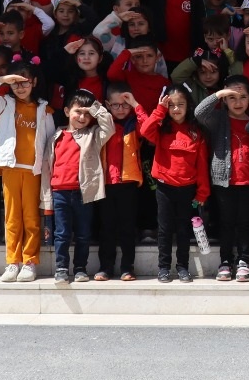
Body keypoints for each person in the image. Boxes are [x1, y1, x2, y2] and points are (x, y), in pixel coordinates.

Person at [0, 63, 54, 283]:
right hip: (9, 167)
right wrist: (0, 80)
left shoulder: (45, 109)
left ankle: (29, 262)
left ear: (34, 82)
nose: (20, 87)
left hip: (33, 170)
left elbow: (50, 144)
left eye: (24, 81)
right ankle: (12, 262)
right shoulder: (5, 103)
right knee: (12, 218)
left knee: (31, 218)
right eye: (15, 82)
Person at [193, 77, 249, 283]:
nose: (238, 102)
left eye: (242, 97)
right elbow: (198, 113)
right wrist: (219, 94)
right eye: (232, 97)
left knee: (246, 223)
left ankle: (243, 260)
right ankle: (225, 261)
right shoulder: (219, 119)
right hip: (224, 182)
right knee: (226, 223)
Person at [39, 90, 113, 283]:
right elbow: (47, 166)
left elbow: (109, 127)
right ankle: (61, 268)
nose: (82, 117)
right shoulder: (55, 135)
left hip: (83, 192)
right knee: (62, 233)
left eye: (86, 114)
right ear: (66, 111)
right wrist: (47, 198)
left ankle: (80, 268)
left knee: (83, 233)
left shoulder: (92, 135)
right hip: (59, 192)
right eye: (78, 111)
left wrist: (95, 108)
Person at [138, 87, 210, 283]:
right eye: (171, 105)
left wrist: (202, 192)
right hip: (164, 188)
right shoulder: (161, 129)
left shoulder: (196, 132)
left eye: (181, 104)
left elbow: (202, 164)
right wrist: (160, 109)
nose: (176, 109)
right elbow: (145, 130)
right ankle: (163, 268)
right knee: (164, 229)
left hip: (188, 190)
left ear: (188, 106)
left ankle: (182, 267)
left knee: (183, 229)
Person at [96, 85, 145, 282]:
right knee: (106, 227)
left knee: (127, 227)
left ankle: (127, 267)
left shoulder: (133, 124)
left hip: (128, 182)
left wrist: (136, 104)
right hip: (106, 182)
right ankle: (105, 267)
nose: (121, 109)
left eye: (125, 105)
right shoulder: (101, 124)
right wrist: (101, 110)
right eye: (115, 105)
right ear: (107, 105)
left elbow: (149, 127)